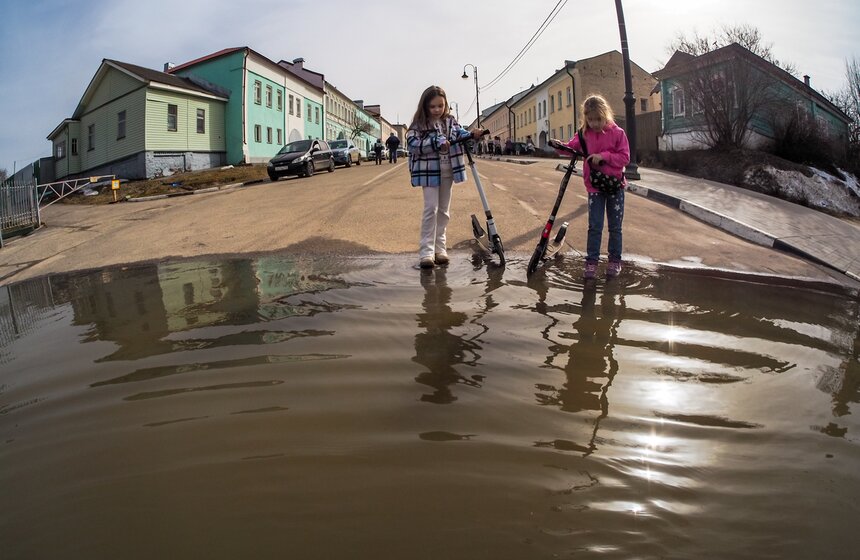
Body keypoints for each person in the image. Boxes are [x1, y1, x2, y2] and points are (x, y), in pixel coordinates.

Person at [550, 94, 630, 279]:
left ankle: (614, 261)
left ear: (605, 115)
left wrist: (604, 156)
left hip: (615, 187)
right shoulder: (584, 134)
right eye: (590, 119)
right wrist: (558, 145)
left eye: (598, 119)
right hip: (595, 187)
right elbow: (571, 148)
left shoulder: (618, 133)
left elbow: (625, 158)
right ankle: (591, 262)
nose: (594, 123)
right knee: (594, 225)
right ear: (585, 117)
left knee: (615, 227)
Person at [406, 85, 485, 269]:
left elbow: (461, 134)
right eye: (433, 106)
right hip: (429, 172)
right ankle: (426, 252)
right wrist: (435, 142)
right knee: (430, 209)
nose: (437, 110)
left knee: (443, 211)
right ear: (425, 106)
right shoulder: (419, 124)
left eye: (440, 106)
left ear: (445, 105)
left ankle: (440, 249)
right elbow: (412, 143)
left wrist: (473, 134)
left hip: (448, 171)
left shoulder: (450, 121)